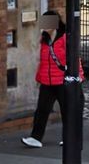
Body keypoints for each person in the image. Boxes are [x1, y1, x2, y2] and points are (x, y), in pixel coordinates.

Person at [21, 10, 83, 149]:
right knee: (41, 110)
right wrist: (39, 77)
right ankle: (35, 137)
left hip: (62, 80)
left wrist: (77, 77)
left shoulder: (65, 38)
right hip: (47, 81)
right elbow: (44, 61)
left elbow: (74, 58)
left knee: (67, 110)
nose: (44, 26)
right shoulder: (44, 39)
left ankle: (70, 138)